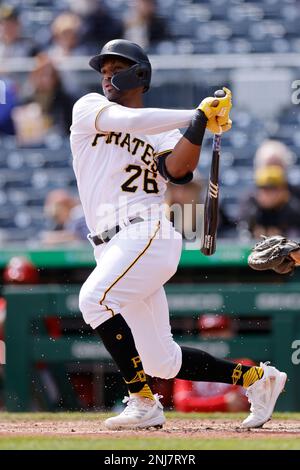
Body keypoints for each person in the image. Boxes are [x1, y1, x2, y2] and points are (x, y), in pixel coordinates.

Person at [70, 38, 286, 430]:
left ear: (139, 74)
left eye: (115, 69)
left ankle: (143, 402)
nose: (106, 77)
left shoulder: (164, 131)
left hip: (145, 233)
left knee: (94, 299)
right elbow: (131, 122)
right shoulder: (88, 108)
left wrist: (200, 123)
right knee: (160, 361)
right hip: (110, 246)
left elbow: (179, 171)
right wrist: (194, 112)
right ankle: (259, 380)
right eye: (103, 71)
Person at [239, 165, 300, 239]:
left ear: (283, 190)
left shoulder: (293, 210)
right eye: (263, 188)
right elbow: (241, 234)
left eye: (273, 188)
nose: (267, 193)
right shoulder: (250, 209)